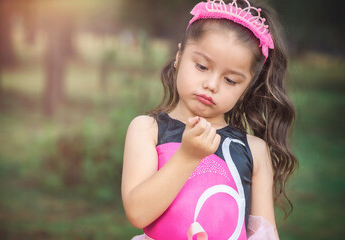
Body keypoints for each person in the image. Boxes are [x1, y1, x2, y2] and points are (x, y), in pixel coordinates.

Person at [121, 0, 298, 239]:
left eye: (231, 80)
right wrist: (188, 156)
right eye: (202, 66)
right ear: (179, 56)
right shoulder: (148, 130)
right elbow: (138, 213)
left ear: (247, 87)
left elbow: (265, 234)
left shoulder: (254, 151)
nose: (211, 85)